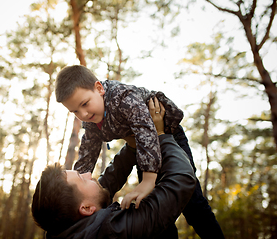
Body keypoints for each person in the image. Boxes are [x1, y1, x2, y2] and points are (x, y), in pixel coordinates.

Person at [55, 65, 225, 238]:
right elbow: (87, 151)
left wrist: (148, 179)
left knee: (192, 201)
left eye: (84, 104)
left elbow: (145, 129)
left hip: (167, 136)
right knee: (152, 205)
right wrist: (75, 191)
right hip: (143, 150)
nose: (83, 114)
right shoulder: (91, 118)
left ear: (99, 88)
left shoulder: (123, 97)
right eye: (75, 111)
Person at [31, 100, 197, 238]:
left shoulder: (68, 228)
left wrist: (132, 148)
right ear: (86, 209)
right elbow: (181, 180)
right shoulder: (114, 232)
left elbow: (105, 184)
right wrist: (161, 136)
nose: (88, 174)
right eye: (82, 179)